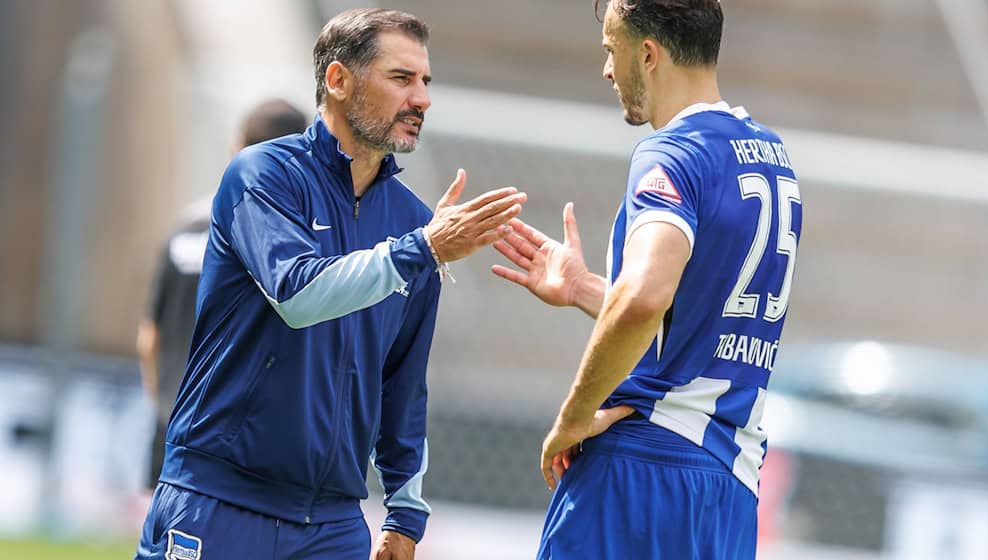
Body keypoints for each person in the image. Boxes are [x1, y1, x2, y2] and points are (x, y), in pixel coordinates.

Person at [135, 8, 526, 560]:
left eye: (426, 81)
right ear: (339, 80)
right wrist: (426, 249)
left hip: (333, 525)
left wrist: (406, 511)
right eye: (401, 78)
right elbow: (297, 294)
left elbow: (404, 381)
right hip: (218, 501)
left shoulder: (417, 223)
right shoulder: (261, 175)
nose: (422, 99)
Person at [492, 1, 803, 558]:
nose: (607, 71)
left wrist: (572, 418)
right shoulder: (772, 157)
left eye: (611, 51)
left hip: (643, 472)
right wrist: (588, 290)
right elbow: (690, 315)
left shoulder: (674, 151)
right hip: (729, 484)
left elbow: (643, 298)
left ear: (649, 53)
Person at [136, 98, 308, 493]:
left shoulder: (189, 224)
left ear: (236, 148)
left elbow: (150, 335)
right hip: (243, 436)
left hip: (176, 418)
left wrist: (166, 405)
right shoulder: (289, 241)